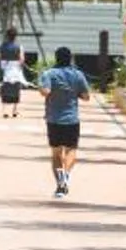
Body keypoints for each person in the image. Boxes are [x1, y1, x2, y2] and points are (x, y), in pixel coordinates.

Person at [37, 45, 89, 197]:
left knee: (56, 153)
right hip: (72, 119)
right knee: (71, 149)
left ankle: (60, 184)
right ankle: (66, 175)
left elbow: (45, 92)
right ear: (70, 58)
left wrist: (41, 88)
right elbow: (86, 97)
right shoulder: (78, 75)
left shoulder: (48, 74)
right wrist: (74, 93)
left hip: (53, 119)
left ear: (56, 58)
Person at [0, 30, 27, 120]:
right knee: (16, 89)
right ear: (15, 36)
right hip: (15, 69)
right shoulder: (19, 47)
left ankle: (4, 111)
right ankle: (14, 110)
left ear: (7, 36)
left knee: (4, 89)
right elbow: (22, 59)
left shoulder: (1, 46)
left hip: (5, 68)